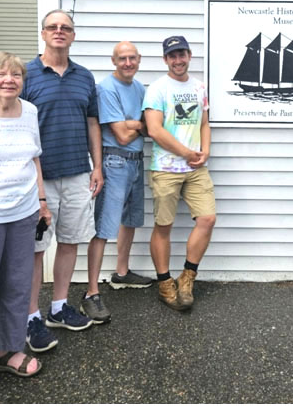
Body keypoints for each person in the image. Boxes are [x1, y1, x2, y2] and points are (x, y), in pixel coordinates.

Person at [20, 9, 103, 352]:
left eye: (65, 28)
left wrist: (97, 166)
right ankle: (31, 317)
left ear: (73, 35)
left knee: (70, 241)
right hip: (37, 179)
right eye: (53, 27)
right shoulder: (25, 74)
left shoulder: (84, 77)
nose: (59, 31)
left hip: (77, 175)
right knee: (35, 250)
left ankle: (58, 307)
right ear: (43, 33)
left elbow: (93, 124)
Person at [0, 52, 51, 381]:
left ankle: (5, 350)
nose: (9, 79)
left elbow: (33, 158)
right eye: (0, 74)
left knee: (16, 287)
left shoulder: (30, 111)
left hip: (23, 213)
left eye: (16, 74)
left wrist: (42, 201)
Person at [81, 41, 152, 324]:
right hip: (115, 161)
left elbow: (147, 125)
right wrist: (138, 126)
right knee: (104, 227)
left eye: (132, 57)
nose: (127, 63)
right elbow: (121, 136)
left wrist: (131, 123)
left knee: (130, 220)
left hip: (136, 161)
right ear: (113, 61)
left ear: (139, 60)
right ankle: (91, 293)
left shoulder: (140, 88)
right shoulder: (105, 88)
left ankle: (121, 273)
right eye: (122, 58)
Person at [143, 35, 216, 311]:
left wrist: (204, 150)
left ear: (189, 56)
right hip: (166, 168)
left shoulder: (199, 87)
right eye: (172, 56)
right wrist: (186, 153)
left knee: (207, 219)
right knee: (164, 226)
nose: (178, 60)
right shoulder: (158, 89)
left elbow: (205, 122)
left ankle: (187, 276)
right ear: (165, 59)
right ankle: (164, 282)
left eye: (182, 54)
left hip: (196, 168)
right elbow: (155, 130)